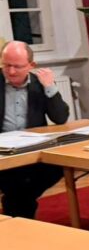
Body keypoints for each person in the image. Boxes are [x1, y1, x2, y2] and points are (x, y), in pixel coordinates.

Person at [0, 41, 69, 218]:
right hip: (3, 152)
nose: (11, 71)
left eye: (17, 66)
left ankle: (16, 212)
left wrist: (50, 87)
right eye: (6, 65)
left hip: (32, 149)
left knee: (58, 166)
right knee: (18, 189)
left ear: (32, 65)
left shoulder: (40, 84)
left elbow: (60, 117)